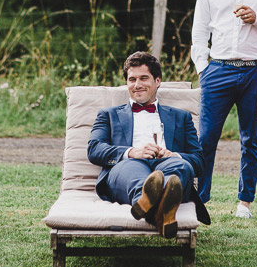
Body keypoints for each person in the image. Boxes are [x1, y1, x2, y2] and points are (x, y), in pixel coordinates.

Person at [191, 0, 257, 218]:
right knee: (205, 138)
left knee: (251, 138)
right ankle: (200, 199)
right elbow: (199, 31)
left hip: (256, 71)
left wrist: (256, 18)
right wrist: (203, 69)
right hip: (219, 70)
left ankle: (244, 203)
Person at [87, 51, 210, 238]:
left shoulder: (181, 117)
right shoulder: (109, 115)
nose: (137, 85)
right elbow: (94, 149)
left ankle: (156, 202)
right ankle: (157, 204)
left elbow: (199, 161)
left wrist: (173, 155)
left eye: (144, 78)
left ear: (158, 81)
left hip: (168, 164)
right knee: (131, 169)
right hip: (127, 166)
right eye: (132, 79)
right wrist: (131, 152)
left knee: (181, 166)